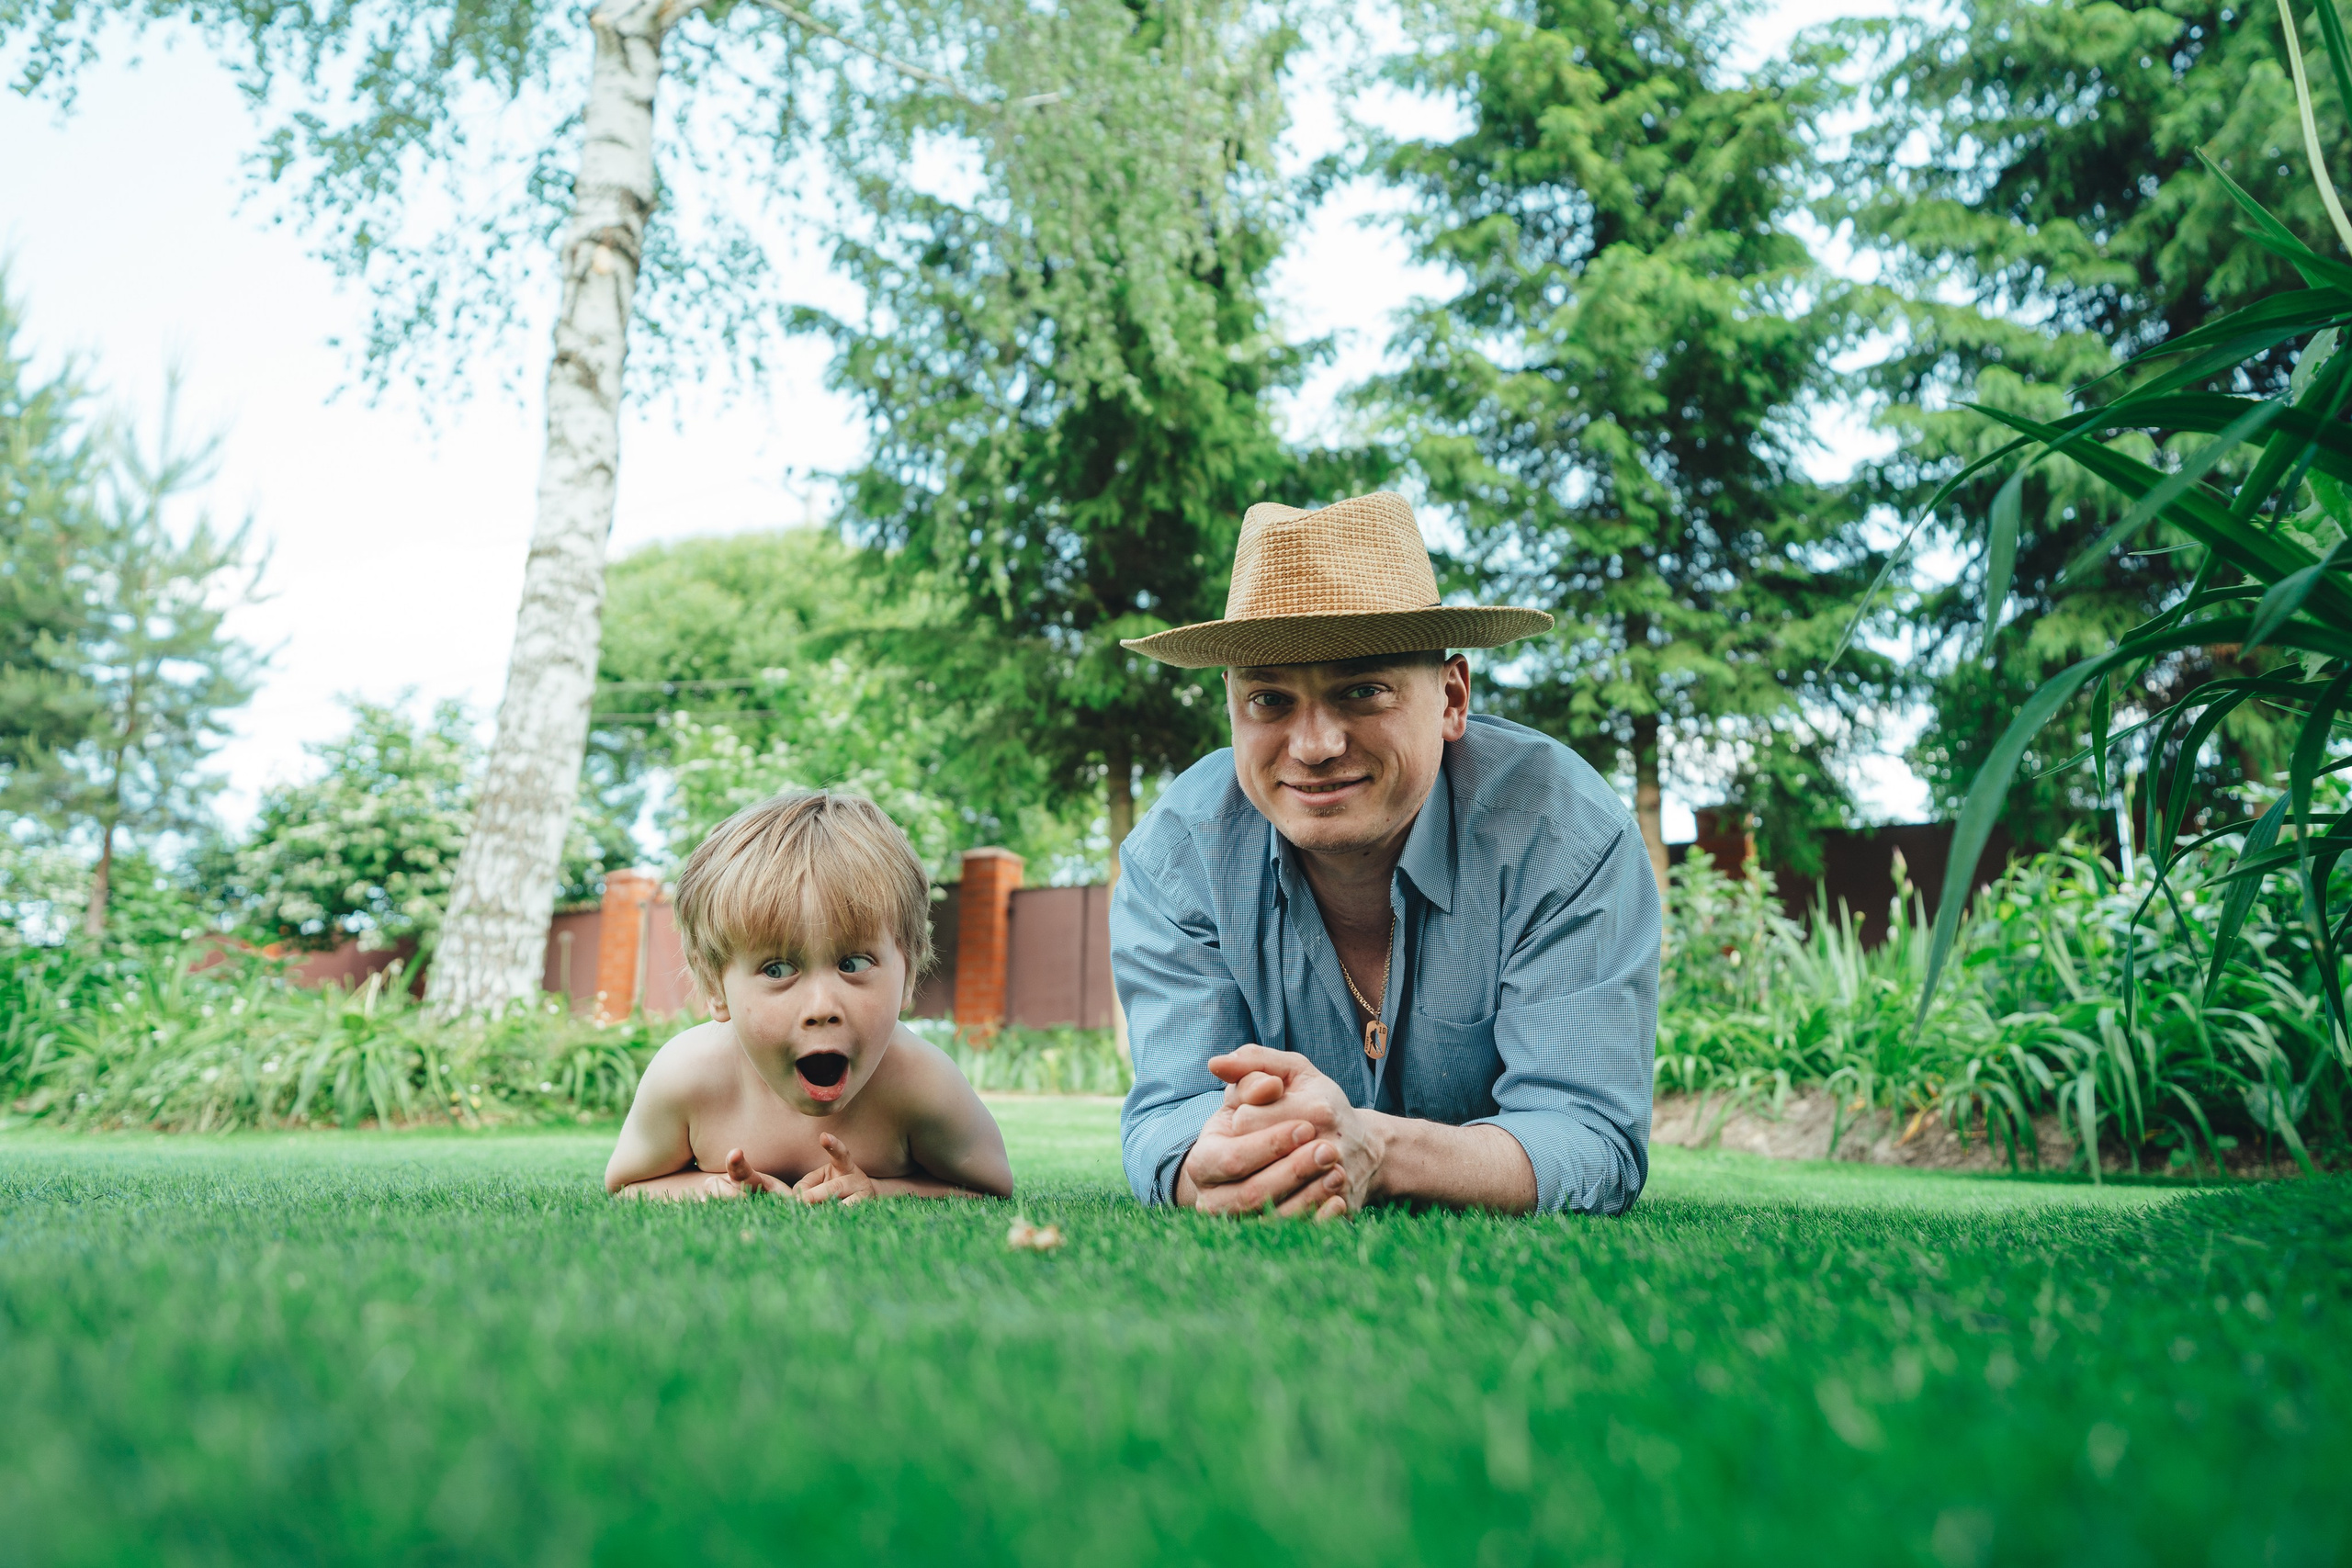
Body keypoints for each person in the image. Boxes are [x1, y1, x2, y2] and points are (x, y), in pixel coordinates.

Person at [1114, 491, 1659, 1219]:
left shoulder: (1567, 839)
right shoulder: (1176, 857)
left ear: (1452, 697)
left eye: (1363, 690)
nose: (1314, 747)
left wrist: (1377, 1148)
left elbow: (1590, 1138)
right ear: (1231, 707)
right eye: (1269, 700)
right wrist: (1212, 1165)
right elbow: (1169, 1116)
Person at [605, 791, 1014, 1202]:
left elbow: (992, 1188)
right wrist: (709, 1189)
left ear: (907, 971)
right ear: (715, 986)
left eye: (853, 963)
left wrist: (882, 1191)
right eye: (777, 969)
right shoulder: (688, 1077)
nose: (821, 1008)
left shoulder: (921, 1082)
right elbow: (626, 1185)